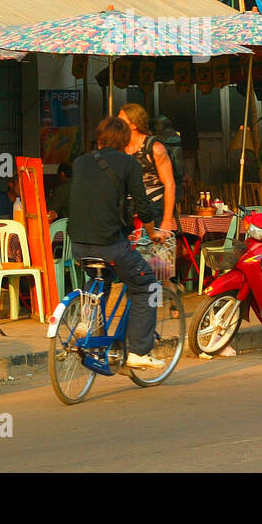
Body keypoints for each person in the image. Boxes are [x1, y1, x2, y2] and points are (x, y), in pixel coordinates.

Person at [68, 116, 171, 370]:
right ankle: (138, 351)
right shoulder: (129, 163)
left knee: (102, 276)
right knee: (145, 284)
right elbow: (143, 207)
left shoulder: (80, 162)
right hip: (110, 243)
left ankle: (87, 319)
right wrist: (153, 232)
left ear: (100, 139)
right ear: (125, 141)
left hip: (79, 244)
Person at [117, 103, 176, 235]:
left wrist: (167, 220)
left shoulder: (154, 147)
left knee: (151, 253)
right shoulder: (119, 148)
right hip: (127, 210)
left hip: (152, 208)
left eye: (121, 120)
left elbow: (170, 184)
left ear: (134, 125)